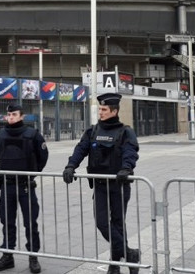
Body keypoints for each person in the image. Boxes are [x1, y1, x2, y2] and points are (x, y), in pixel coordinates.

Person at [62, 93, 140, 274]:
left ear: (114, 111)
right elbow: (80, 149)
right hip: (100, 186)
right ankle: (130, 255)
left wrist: (126, 168)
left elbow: (131, 152)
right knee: (102, 223)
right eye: (100, 109)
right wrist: (71, 166)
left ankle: (114, 264)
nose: (101, 112)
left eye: (104, 109)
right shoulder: (92, 131)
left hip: (119, 185)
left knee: (118, 224)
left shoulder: (125, 132)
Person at [0, 104, 49, 273]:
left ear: (22, 116)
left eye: (14, 114)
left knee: (30, 222)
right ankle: (7, 256)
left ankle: (33, 257)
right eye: (8, 114)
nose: (11, 117)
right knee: (7, 222)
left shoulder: (33, 135)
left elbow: (43, 157)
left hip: (25, 186)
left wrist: (32, 174)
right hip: (7, 185)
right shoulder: (1, 135)